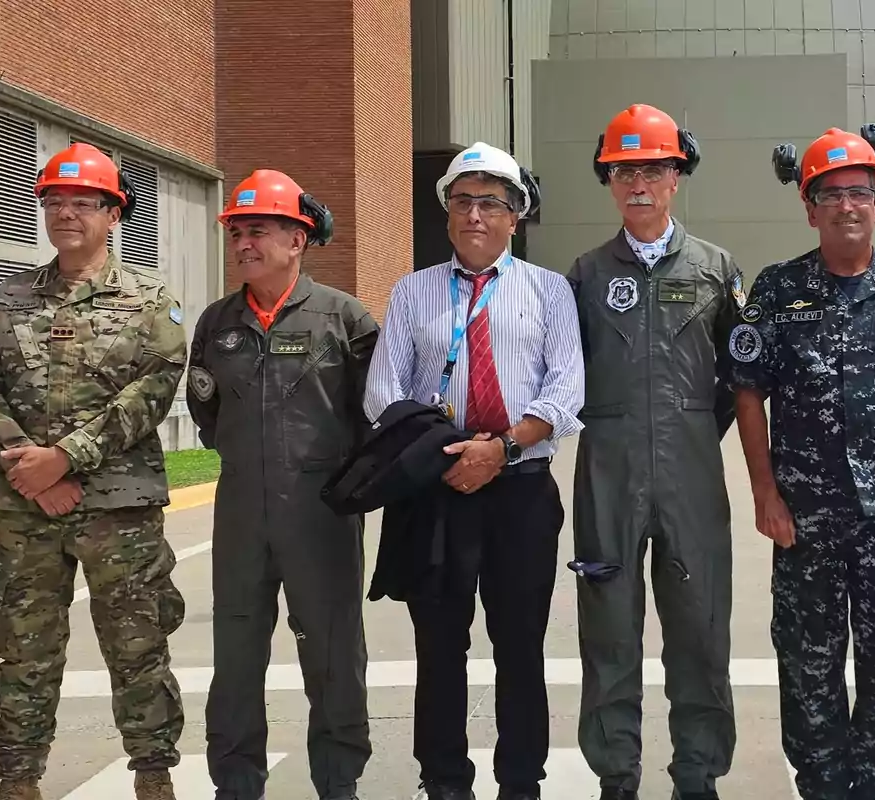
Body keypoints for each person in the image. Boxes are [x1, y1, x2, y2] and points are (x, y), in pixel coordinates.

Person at [729, 125, 875, 800]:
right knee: (808, 659)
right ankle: (823, 779)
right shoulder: (778, 290)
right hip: (806, 521)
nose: (846, 206)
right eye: (829, 195)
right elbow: (748, 391)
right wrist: (764, 493)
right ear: (810, 209)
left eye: (858, 192)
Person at [0, 142, 188, 800]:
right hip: (26, 508)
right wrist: (26, 465)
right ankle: (19, 781)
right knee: (23, 649)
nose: (66, 214)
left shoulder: (150, 299)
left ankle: (154, 777)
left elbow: (152, 392)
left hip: (120, 509)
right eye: (54, 202)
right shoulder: (8, 299)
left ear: (114, 212)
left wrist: (65, 460)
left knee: (138, 648)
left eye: (83, 203)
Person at [363, 142, 584, 800]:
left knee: (519, 648)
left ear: (516, 216)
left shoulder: (549, 292)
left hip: (520, 492)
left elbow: (566, 387)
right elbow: (382, 392)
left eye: (492, 203)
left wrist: (503, 449)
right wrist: (446, 453)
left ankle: (520, 781)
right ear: (447, 212)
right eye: (463, 202)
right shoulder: (412, 291)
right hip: (437, 492)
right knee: (438, 650)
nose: (476, 215)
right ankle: (445, 781)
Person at [566, 103, 742, 800]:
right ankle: (618, 775)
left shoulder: (715, 270)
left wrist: (691, 428)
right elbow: (561, 374)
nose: (638, 182)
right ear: (608, 181)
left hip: (691, 479)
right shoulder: (580, 276)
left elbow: (743, 373)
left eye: (653, 169)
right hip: (606, 478)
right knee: (609, 632)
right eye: (624, 170)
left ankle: (697, 775)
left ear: (678, 176)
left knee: (699, 633)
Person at [186, 170, 379, 800]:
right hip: (241, 509)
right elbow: (207, 413)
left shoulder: (343, 318)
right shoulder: (217, 322)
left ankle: (338, 779)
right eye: (236, 232)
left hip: (321, 512)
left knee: (332, 654)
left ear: (297, 239)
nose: (243, 242)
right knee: (236, 655)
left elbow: (370, 410)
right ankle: (236, 784)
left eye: (258, 230)